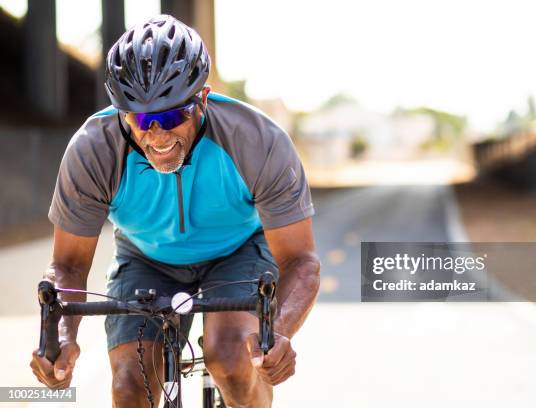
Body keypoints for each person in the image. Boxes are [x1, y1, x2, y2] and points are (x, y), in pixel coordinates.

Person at [29, 14, 320, 408]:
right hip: (146, 258)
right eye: (143, 119)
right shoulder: (93, 150)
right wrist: (60, 336)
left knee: (233, 358)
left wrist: (279, 334)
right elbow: (67, 265)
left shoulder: (256, 140)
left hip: (238, 251)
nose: (158, 134)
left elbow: (301, 261)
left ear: (202, 98)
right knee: (130, 386)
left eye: (171, 116)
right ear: (121, 114)